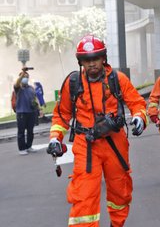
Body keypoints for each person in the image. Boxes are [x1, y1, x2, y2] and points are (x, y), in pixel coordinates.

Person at [46, 35, 148, 226]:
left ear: (103, 58)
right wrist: (54, 138)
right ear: (81, 62)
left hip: (114, 142)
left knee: (120, 192)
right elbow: (62, 114)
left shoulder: (118, 79)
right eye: (87, 60)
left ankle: (117, 224)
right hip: (86, 145)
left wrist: (140, 117)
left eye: (95, 58)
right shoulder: (73, 82)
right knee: (83, 196)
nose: (92, 63)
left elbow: (137, 103)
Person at [12, 68, 39, 155]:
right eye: (24, 77)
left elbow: (35, 98)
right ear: (20, 77)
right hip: (22, 113)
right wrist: (23, 73)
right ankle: (22, 148)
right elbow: (16, 83)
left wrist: (39, 109)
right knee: (21, 131)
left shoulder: (31, 88)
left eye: (27, 77)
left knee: (30, 131)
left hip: (31, 112)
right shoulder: (18, 88)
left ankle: (29, 146)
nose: (25, 78)